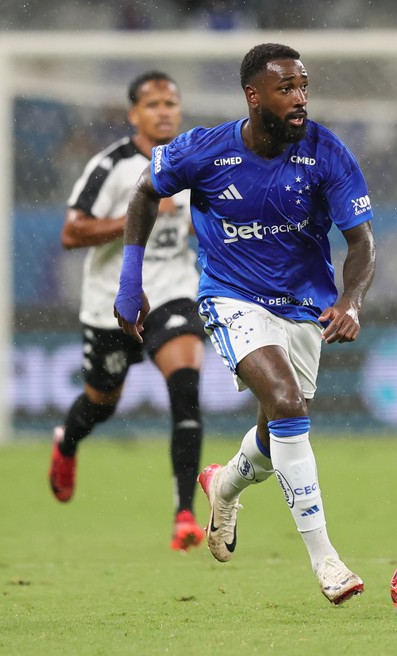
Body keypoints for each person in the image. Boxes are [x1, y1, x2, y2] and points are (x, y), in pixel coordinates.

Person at [113, 44, 376, 604]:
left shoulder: (327, 152)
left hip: (305, 303)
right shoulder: (204, 150)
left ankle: (225, 484)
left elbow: (360, 241)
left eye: (303, 85)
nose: (300, 98)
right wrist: (130, 283)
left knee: (277, 425)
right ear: (254, 96)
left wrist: (351, 298)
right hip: (232, 297)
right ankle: (326, 561)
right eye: (286, 89)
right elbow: (144, 191)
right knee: (286, 401)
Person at [48, 71, 208, 552]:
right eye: (153, 104)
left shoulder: (194, 161)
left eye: (171, 103)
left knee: (185, 385)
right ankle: (67, 443)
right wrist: (137, 216)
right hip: (112, 302)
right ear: (133, 114)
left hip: (173, 290)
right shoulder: (111, 166)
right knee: (101, 402)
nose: (164, 111)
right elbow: (71, 234)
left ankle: (185, 512)